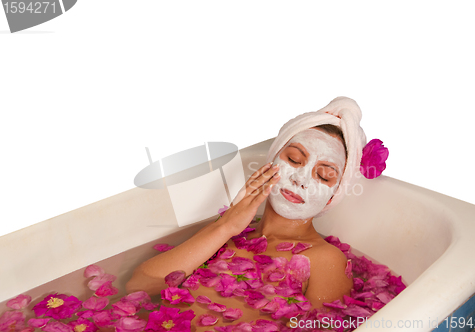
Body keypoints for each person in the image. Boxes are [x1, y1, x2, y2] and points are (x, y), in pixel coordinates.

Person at [126, 97, 367, 331]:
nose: (300, 179)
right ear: (271, 160)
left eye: (324, 175)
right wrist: (227, 226)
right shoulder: (230, 229)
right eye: (294, 159)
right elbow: (138, 285)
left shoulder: (325, 259)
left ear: (334, 195)